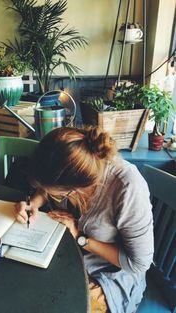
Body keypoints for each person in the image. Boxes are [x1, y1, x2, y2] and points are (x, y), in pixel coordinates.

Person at [15, 126, 154, 313]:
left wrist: (79, 236)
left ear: (76, 188)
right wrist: (34, 203)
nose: (51, 194)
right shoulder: (70, 163)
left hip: (110, 274)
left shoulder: (127, 188)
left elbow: (138, 263)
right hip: (67, 256)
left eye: (56, 193)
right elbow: (48, 187)